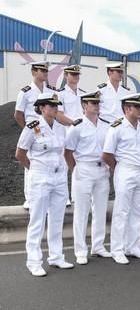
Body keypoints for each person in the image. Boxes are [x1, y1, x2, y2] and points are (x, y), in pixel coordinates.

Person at [16, 93, 73, 276]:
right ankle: (33, 261)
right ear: (42, 108)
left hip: (58, 178)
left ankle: (56, 256)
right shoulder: (33, 127)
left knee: (57, 219)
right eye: (51, 105)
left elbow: (62, 151)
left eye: (56, 105)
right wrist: (33, 170)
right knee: (37, 221)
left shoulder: (60, 127)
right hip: (40, 177)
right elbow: (20, 153)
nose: (55, 108)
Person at [64, 91, 111, 265]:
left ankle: (98, 246)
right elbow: (67, 152)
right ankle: (80, 250)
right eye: (93, 103)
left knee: (100, 210)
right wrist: (75, 169)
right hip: (83, 168)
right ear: (84, 106)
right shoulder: (76, 126)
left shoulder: (105, 125)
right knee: (81, 212)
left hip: (101, 170)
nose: (96, 105)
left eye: (98, 103)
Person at [102, 93, 140, 265]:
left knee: (137, 211)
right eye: (137, 107)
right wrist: (118, 168)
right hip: (124, 170)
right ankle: (117, 249)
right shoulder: (117, 127)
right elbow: (107, 155)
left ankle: (132, 246)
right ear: (127, 108)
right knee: (121, 212)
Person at [14, 61, 57, 209]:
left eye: (46, 70)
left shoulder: (50, 90)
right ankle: (29, 198)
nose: (45, 73)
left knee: (52, 159)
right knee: (30, 162)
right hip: (33, 130)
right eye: (42, 70)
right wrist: (27, 130)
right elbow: (18, 114)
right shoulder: (25, 92)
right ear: (33, 72)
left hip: (48, 129)